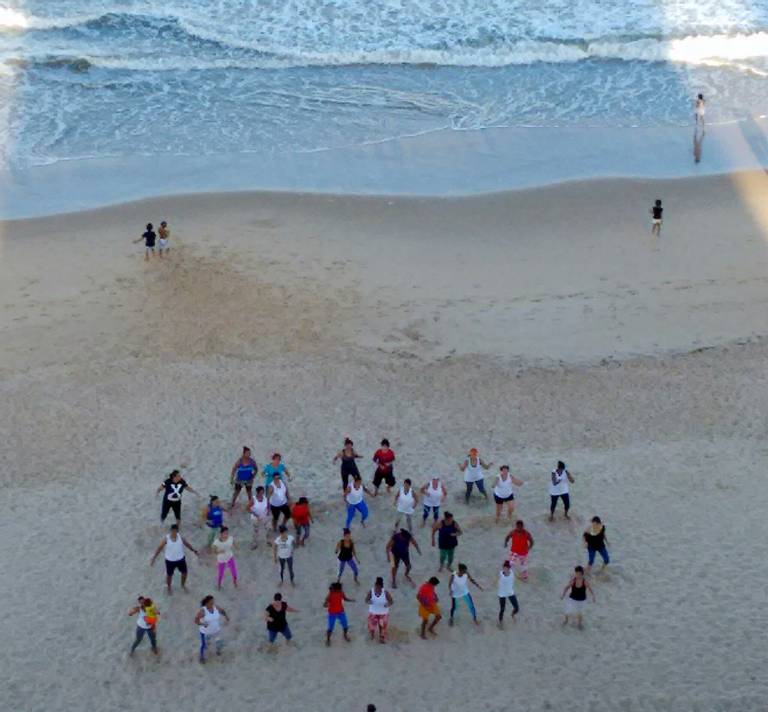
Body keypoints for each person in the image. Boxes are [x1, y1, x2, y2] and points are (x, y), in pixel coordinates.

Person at [150, 523, 199, 594]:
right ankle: (169, 587)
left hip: (181, 560)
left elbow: (187, 544)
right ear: (170, 530)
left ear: (177, 531)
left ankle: (183, 585)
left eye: (175, 531)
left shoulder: (180, 537)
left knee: (185, 573)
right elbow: (159, 548)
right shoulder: (166, 539)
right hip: (170, 561)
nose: (174, 532)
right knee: (169, 575)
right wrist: (154, 558)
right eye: (173, 531)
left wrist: (194, 550)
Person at [195, 595, 229, 663]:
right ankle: (202, 657)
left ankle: (218, 651)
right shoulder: (202, 611)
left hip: (216, 630)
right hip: (205, 632)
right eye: (211, 602)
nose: (213, 603)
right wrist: (203, 624)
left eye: (213, 602)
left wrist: (226, 616)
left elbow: (222, 611)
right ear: (207, 603)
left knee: (219, 643)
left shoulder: (215, 607)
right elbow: (196, 621)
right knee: (204, 645)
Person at [365, 577, 393, 644]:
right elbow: (366, 600)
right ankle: (372, 634)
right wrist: (369, 602)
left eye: (379, 587)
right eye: (376, 587)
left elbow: (391, 601)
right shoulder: (371, 592)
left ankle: (381, 638)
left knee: (382, 626)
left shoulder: (385, 592)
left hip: (383, 613)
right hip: (373, 612)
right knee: (372, 626)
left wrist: (388, 604)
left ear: (381, 587)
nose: (377, 589)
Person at [497, 561, 519, 628]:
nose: (504, 569)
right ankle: (500, 622)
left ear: (509, 568)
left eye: (506, 568)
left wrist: (523, 579)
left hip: (510, 592)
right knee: (502, 609)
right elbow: (494, 580)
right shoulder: (501, 574)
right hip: (502, 594)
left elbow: (517, 576)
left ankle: (512, 614)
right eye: (504, 568)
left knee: (517, 608)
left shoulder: (512, 573)